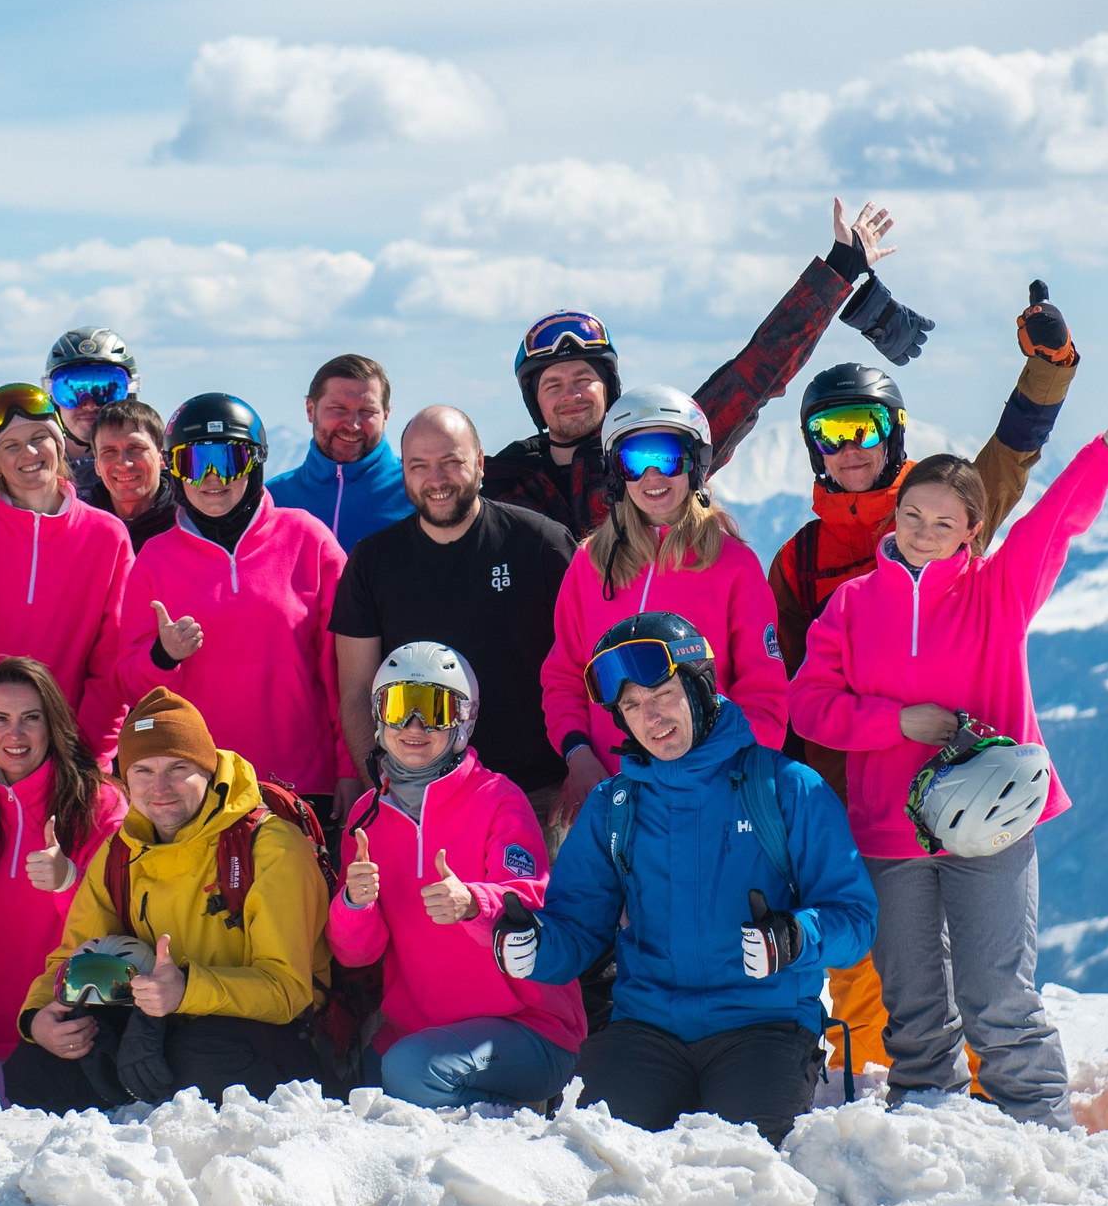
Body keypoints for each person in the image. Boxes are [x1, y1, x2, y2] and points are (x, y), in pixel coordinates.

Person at [790, 351, 1108, 1129]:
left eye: (944, 522)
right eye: (912, 518)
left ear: (973, 529)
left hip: (992, 822)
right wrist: (896, 722)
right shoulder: (853, 605)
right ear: (895, 520)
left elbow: (1060, 514)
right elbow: (809, 706)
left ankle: (1042, 1126)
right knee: (912, 996)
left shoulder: (1000, 588)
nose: (924, 534)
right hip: (889, 829)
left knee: (998, 991)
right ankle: (930, 1123)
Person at [770, 285, 1083, 1081]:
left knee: (980, 962)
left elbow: (1005, 465)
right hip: (851, 788)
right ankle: (898, 1117)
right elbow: (787, 695)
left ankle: (992, 1101)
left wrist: (1047, 369)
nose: (849, 446)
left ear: (891, 433)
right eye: (829, 432)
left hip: (958, 776)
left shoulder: (933, 511)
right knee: (882, 969)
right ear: (812, 447)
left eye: (864, 427)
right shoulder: (800, 559)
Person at [509, 612, 876, 1147]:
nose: (649, 717)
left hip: (765, 1026)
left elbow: (856, 919)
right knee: (596, 1160)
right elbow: (578, 926)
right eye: (630, 706)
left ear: (700, 685)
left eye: (661, 693)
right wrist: (535, 947)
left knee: (739, 1168)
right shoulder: (616, 806)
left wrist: (795, 937)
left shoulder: (787, 788)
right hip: (647, 1029)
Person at [485, 200, 917, 537]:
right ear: (534, 402)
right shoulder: (502, 486)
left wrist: (839, 270)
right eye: (553, 385)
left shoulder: (668, 448)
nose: (571, 393)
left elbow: (754, 375)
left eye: (584, 379)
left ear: (609, 389)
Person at [5, 688, 330, 1111]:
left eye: (178, 768)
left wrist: (186, 989)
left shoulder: (269, 848)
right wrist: (38, 1018)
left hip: (267, 1035)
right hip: (158, 1023)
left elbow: (289, 991)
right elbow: (73, 957)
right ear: (124, 778)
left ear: (209, 770)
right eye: (142, 771)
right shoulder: (120, 853)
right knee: (35, 1067)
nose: (160, 787)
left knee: (198, 1058)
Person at [330, 645, 582, 1110]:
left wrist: (473, 903)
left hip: (527, 1027)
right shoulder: (365, 817)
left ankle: (511, 1145)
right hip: (418, 1032)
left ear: (463, 720)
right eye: (401, 706)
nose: (415, 727)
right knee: (355, 1089)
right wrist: (354, 904)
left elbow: (531, 906)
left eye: (435, 709)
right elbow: (356, 952)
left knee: (408, 1072)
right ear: (378, 715)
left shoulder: (496, 797)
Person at [540, 386, 789, 831]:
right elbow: (564, 677)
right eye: (635, 460)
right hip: (613, 796)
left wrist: (725, 774)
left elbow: (764, 694)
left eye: (669, 456)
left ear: (695, 462)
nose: (653, 475)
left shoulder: (733, 565)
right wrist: (578, 756)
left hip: (709, 796)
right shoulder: (591, 563)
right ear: (617, 472)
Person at [332, 406, 577, 821]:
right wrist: (383, 791)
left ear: (480, 463)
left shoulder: (540, 544)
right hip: (420, 798)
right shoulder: (373, 561)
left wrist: (581, 762)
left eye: (451, 462)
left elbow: (584, 665)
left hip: (540, 794)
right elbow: (357, 691)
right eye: (420, 466)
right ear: (404, 473)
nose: (436, 480)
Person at [112, 393, 351, 808]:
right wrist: (163, 657)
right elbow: (129, 685)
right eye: (192, 462)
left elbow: (345, 674)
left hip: (300, 783)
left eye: (227, 461)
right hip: (198, 786)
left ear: (256, 462)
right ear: (174, 471)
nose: (210, 477)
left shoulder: (307, 541)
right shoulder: (155, 557)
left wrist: (350, 770)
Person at [0, 658, 128, 1100]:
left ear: (53, 724)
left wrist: (70, 881)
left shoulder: (101, 803)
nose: (14, 734)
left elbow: (123, 930)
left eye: (30, 719)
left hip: (68, 1029)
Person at [0, 386, 136, 758]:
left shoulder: (106, 536)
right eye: (10, 446)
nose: (29, 453)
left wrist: (92, 752)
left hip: (70, 748)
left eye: (39, 438)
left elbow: (111, 657)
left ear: (59, 445)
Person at [267, 355, 413, 550]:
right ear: (311, 410)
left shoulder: (416, 493)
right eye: (338, 408)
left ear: (386, 415)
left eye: (367, 411)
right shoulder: (272, 499)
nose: (353, 425)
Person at [77, 398, 179, 549]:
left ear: (162, 457)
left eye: (136, 448)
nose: (124, 464)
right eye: (110, 451)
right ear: (97, 465)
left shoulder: (189, 525)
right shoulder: (78, 529)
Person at [45, 326, 141, 487]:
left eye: (106, 390)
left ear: (129, 394)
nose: (89, 405)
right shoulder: (34, 473)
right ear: (52, 398)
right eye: (72, 392)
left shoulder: (151, 471)